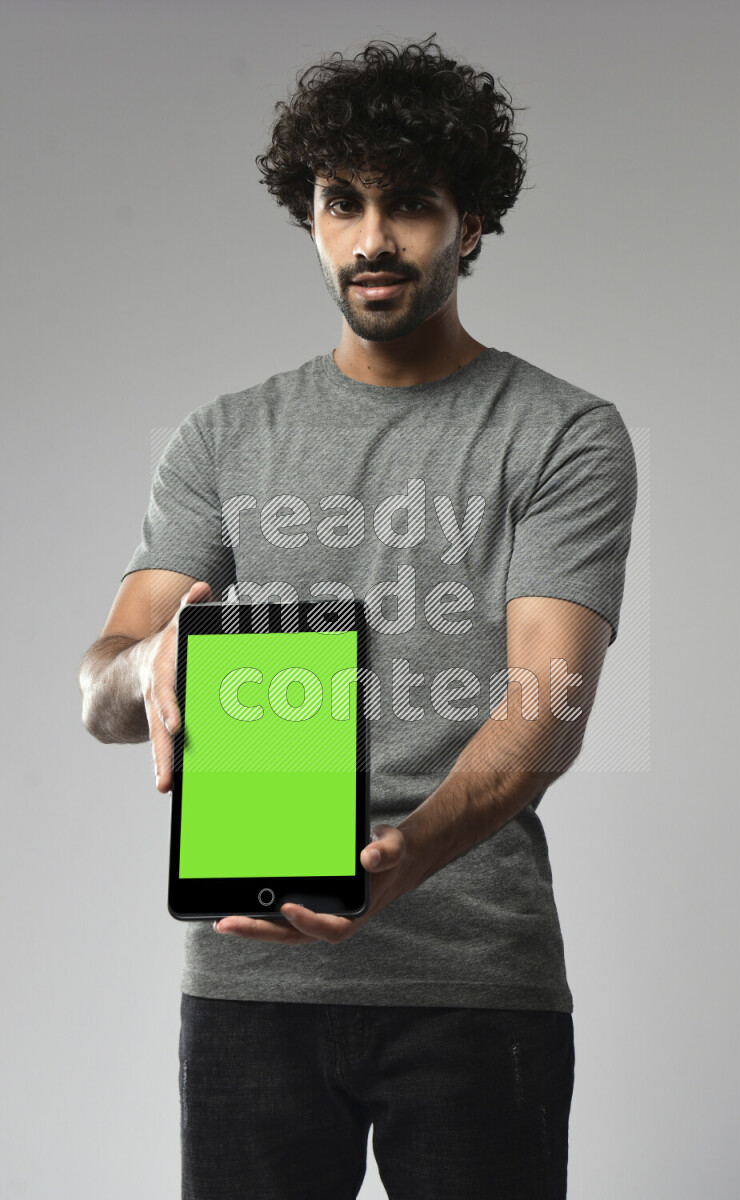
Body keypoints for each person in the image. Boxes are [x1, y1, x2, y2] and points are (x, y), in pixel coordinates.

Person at [79, 35, 637, 1200]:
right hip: (249, 988)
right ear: (311, 218)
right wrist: (150, 667)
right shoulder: (222, 439)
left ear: (469, 224)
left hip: (472, 984)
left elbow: (547, 702)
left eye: (410, 204)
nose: (372, 238)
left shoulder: (559, 434)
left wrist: (400, 861)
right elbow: (103, 692)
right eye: (343, 203)